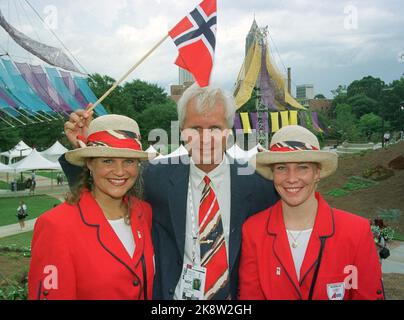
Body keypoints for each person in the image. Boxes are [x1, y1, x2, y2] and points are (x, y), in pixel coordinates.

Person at [60, 84, 278, 300]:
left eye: (214, 128)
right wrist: (86, 146)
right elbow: (109, 182)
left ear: (228, 132)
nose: (205, 138)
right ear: (182, 130)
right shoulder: (156, 177)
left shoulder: (259, 185)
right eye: (195, 128)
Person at [238, 125, 384, 300]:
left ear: (318, 173)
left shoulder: (356, 231)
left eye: (302, 167)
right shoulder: (253, 230)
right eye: (281, 168)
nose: (291, 178)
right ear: (272, 174)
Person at [28, 115, 155, 300]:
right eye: (107, 161)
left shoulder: (144, 212)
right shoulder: (56, 226)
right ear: (89, 163)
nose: (120, 171)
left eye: (129, 161)